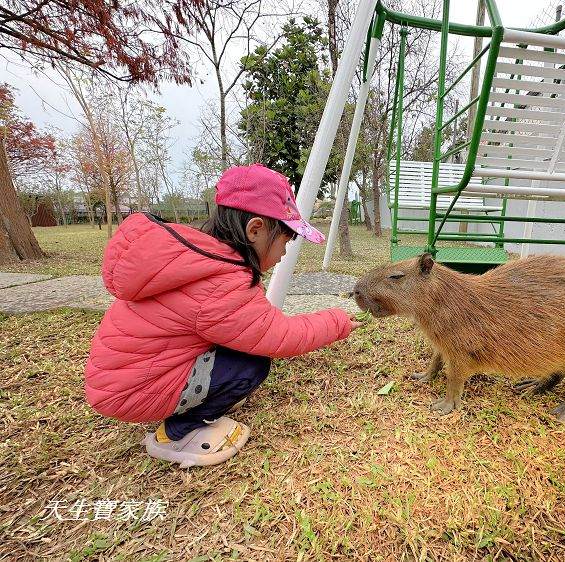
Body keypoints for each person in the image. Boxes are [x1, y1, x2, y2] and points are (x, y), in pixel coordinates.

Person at [85, 164, 360, 468]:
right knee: (251, 364)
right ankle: (177, 434)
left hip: (124, 378)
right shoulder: (221, 283)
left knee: (239, 350)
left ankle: (190, 402)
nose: (285, 251)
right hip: (133, 389)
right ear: (255, 230)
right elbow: (280, 336)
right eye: (285, 239)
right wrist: (336, 321)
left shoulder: (199, 257)